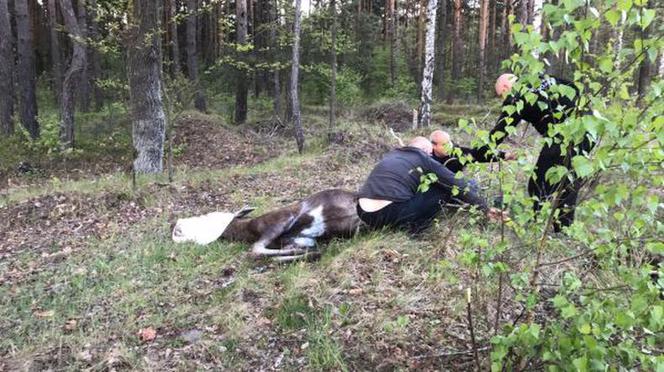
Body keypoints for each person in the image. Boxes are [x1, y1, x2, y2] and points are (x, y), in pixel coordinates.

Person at [476, 73, 594, 231]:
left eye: (501, 95)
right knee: (569, 181)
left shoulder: (516, 97)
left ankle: (535, 224)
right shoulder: (543, 77)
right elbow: (575, 89)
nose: (503, 100)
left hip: (564, 135)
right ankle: (563, 229)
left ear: (505, 88)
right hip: (589, 127)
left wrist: (479, 152)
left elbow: (501, 130)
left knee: (539, 182)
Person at [357, 136, 506, 233]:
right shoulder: (423, 158)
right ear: (425, 151)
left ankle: (387, 227)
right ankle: (414, 229)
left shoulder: (392, 155)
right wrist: (484, 207)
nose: (431, 156)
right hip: (392, 213)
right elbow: (456, 184)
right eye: (430, 154)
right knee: (442, 187)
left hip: (363, 212)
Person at [429, 129, 516, 174]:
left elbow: (479, 155)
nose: (448, 146)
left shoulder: (457, 153)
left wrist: (505, 155)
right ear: (434, 146)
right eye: (444, 145)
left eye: (449, 143)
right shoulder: (426, 158)